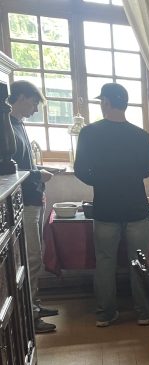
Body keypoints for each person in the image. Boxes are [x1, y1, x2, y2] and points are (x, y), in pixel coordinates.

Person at [74, 83, 149, 327]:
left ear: (106, 102)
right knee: (139, 263)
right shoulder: (141, 135)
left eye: (101, 101)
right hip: (136, 207)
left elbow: (80, 170)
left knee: (105, 262)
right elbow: (145, 171)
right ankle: (142, 313)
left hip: (105, 206)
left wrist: (100, 180)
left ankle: (106, 314)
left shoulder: (89, 132)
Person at [9, 81, 58, 334]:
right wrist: (39, 174)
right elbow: (10, 171)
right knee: (30, 259)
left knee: (34, 258)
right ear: (21, 97)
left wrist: (38, 175)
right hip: (23, 202)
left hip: (31, 199)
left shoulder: (17, 124)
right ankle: (31, 315)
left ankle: (35, 305)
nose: (36, 109)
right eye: (34, 102)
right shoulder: (6, 125)